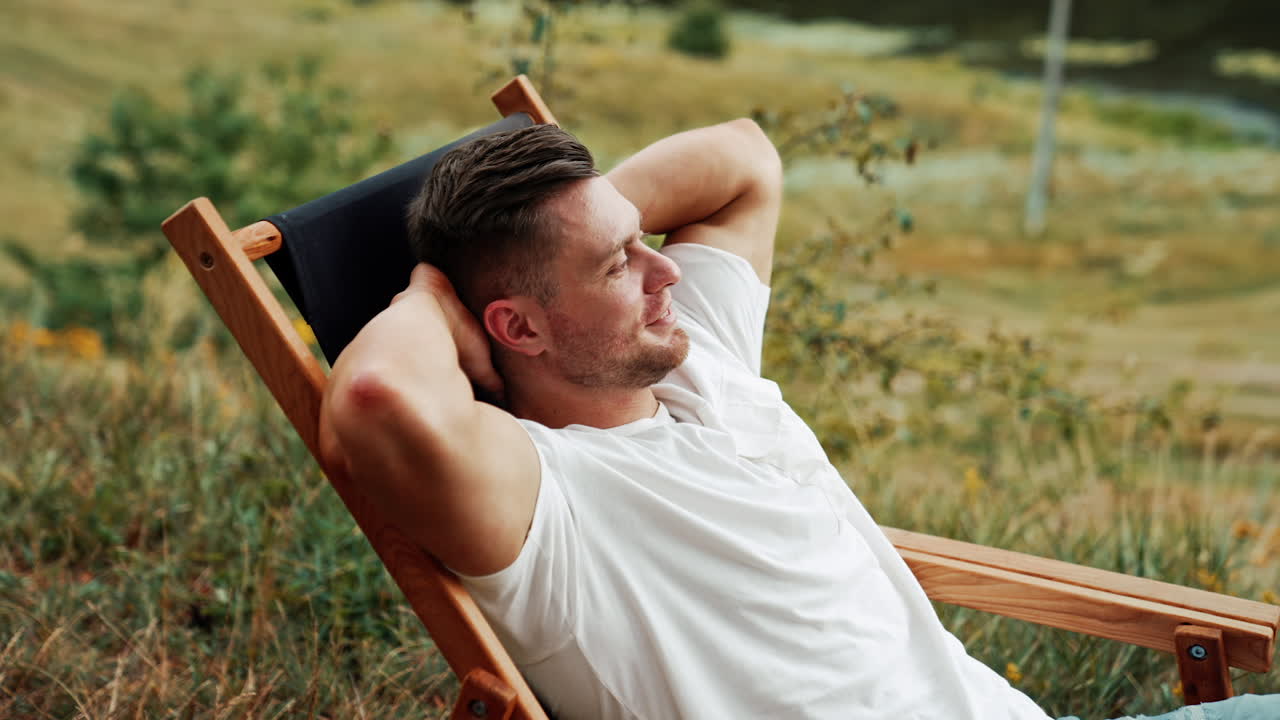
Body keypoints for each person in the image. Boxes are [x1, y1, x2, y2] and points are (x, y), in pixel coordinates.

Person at [318, 121, 1276, 719]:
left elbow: (744, 158)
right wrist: (430, 298)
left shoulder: (696, 354)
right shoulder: (543, 502)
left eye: (644, 242)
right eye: (620, 266)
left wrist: (598, 219)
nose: (669, 272)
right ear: (515, 327)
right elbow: (372, 400)